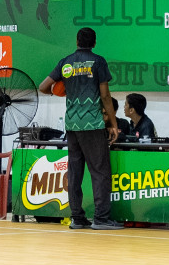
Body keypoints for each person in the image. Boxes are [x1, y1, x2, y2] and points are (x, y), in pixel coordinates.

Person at [38, 27, 121, 229]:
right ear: (94, 43)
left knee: (75, 172)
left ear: (77, 41)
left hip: (72, 124)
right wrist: (113, 123)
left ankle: (77, 218)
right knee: (100, 172)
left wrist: (58, 92)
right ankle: (101, 219)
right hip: (92, 124)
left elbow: (43, 87)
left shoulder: (65, 62)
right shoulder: (98, 61)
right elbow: (105, 96)